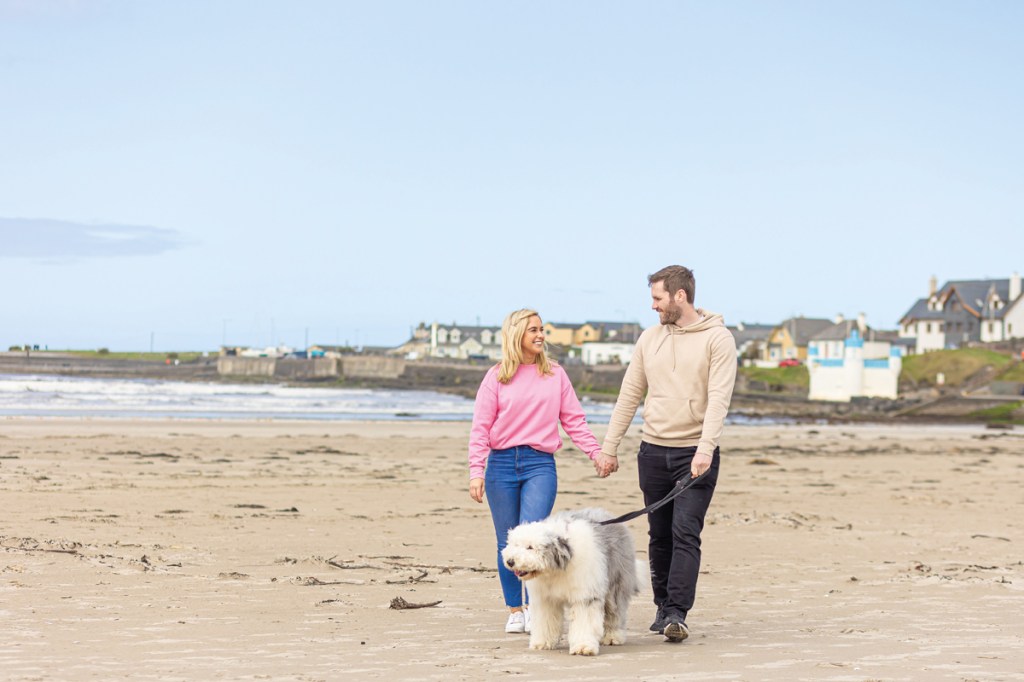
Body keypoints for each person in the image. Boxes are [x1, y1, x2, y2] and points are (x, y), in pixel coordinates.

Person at [595, 265, 737, 643]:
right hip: (653, 451)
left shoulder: (718, 339)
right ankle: (662, 608)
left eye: (658, 298)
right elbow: (630, 394)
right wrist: (609, 448)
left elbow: (719, 399)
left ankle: (677, 612)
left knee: (685, 532)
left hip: (695, 454)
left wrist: (705, 448)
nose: (653, 305)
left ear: (680, 296)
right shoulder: (649, 338)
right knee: (659, 535)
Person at [468, 308, 606, 634]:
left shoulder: (555, 374)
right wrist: (476, 471)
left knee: (533, 539)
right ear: (517, 334)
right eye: (533, 330)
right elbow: (480, 427)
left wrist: (596, 453)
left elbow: (574, 420)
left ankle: (534, 608)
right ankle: (515, 610)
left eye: (542, 329)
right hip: (500, 465)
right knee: (507, 542)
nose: (541, 335)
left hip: (539, 465)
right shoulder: (497, 376)